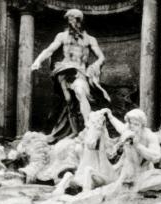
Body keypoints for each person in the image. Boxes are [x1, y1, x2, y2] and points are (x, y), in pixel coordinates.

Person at [31, 9, 111, 142]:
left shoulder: (90, 39)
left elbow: (101, 57)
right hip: (64, 69)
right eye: (69, 20)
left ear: (79, 21)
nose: (71, 23)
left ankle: (88, 125)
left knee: (80, 91)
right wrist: (38, 60)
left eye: (74, 20)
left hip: (80, 71)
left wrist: (95, 65)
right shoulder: (61, 36)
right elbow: (50, 50)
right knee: (69, 101)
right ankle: (74, 130)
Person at [104, 108, 161, 188]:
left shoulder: (150, 135)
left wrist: (137, 146)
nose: (132, 126)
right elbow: (119, 126)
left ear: (142, 125)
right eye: (130, 123)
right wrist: (110, 116)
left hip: (144, 171)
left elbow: (157, 157)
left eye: (136, 124)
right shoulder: (127, 130)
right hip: (127, 171)